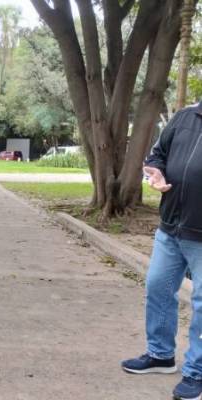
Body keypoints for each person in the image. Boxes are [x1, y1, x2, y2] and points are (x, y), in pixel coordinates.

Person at [121, 101, 202, 400]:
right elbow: (157, 155)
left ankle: (197, 372)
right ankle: (161, 355)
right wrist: (155, 174)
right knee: (158, 287)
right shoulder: (184, 117)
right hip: (171, 227)